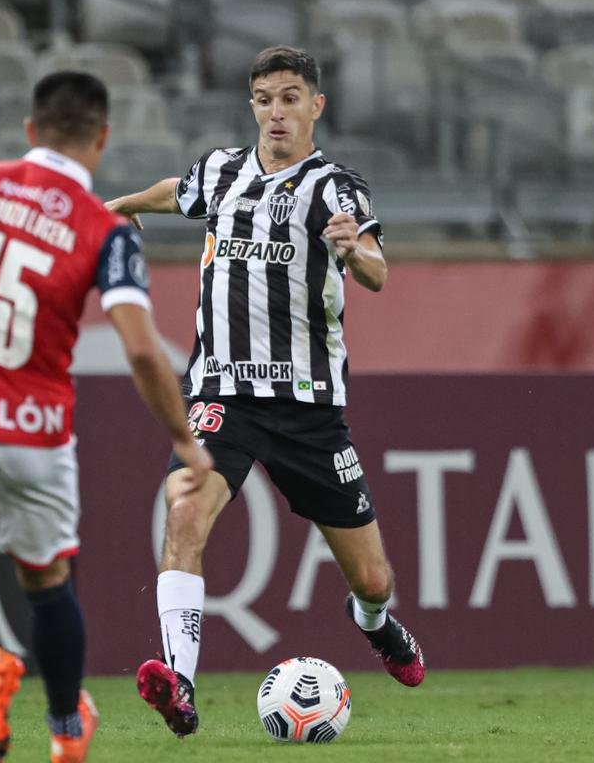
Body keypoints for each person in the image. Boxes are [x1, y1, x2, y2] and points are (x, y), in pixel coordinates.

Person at [0, 71, 212, 763]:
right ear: (102, 139)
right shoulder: (106, 228)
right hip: (36, 432)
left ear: (29, 130)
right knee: (48, 586)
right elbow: (142, 348)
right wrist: (183, 438)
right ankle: (64, 730)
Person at [105, 45, 426, 738]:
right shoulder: (221, 172)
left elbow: (375, 268)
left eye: (288, 98)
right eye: (263, 99)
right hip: (225, 395)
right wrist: (122, 204)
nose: (275, 112)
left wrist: (353, 252)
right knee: (185, 511)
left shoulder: (333, 187)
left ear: (316, 106)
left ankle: (373, 624)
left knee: (372, 580)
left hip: (310, 410)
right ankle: (179, 685)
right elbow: (177, 191)